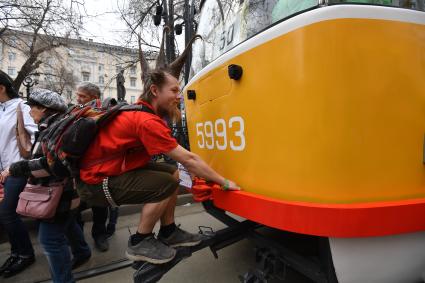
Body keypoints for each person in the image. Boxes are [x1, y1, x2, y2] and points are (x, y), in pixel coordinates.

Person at [76, 69, 240, 264]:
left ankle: (168, 231)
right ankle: (140, 241)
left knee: (173, 173)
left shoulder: (141, 113)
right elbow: (189, 159)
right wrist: (225, 182)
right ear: (155, 90)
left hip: (105, 174)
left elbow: (181, 164)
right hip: (95, 184)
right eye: (173, 91)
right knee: (166, 183)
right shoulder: (146, 121)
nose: (178, 97)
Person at [2, 89, 91, 282]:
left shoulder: (53, 129)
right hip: (70, 193)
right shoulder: (56, 125)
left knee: (49, 240)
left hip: (59, 194)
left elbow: (53, 166)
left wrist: (15, 169)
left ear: (43, 109)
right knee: (67, 224)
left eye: (32, 107)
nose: (30, 111)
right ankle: (82, 252)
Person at [0, 70, 38, 278]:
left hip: (17, 169)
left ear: (1, 88)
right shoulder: (1, 109)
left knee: (7, 213)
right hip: (3, 170)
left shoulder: (22, 107)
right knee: (5, 215)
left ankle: (25, 253)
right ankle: (16, 253)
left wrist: (15, 166)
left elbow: (35, 138)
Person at [74, 82, 119, 252]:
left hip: (99, 168)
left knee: (100, 206)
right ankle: (78, 238)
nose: (78, 99)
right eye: (77, 95)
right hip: (79, 168)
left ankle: (100, 235)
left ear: (94, 98)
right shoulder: (75, 112)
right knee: (75, 206)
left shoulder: (105, 114)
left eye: (82, 96)